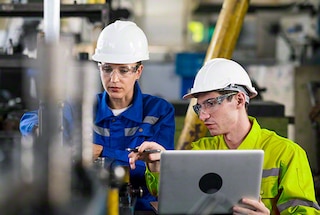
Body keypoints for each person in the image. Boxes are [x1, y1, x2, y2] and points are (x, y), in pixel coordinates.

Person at [19, 20, 175, 212]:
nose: (114, 79)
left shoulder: (159, 111)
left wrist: (101, 151)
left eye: (123, 70)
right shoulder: (82, 106)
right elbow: (30, 119)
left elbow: (160, 168)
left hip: (141, 208)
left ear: (138, 71)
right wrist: (40, 128)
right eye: (107, 69)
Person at [129, 58, 320, 214]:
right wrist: (159, 166)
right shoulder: (200, 150)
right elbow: (172, 200)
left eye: (211, 103)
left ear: (238, 99)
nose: (202, 116)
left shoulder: (287, 154)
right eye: (199, 107)